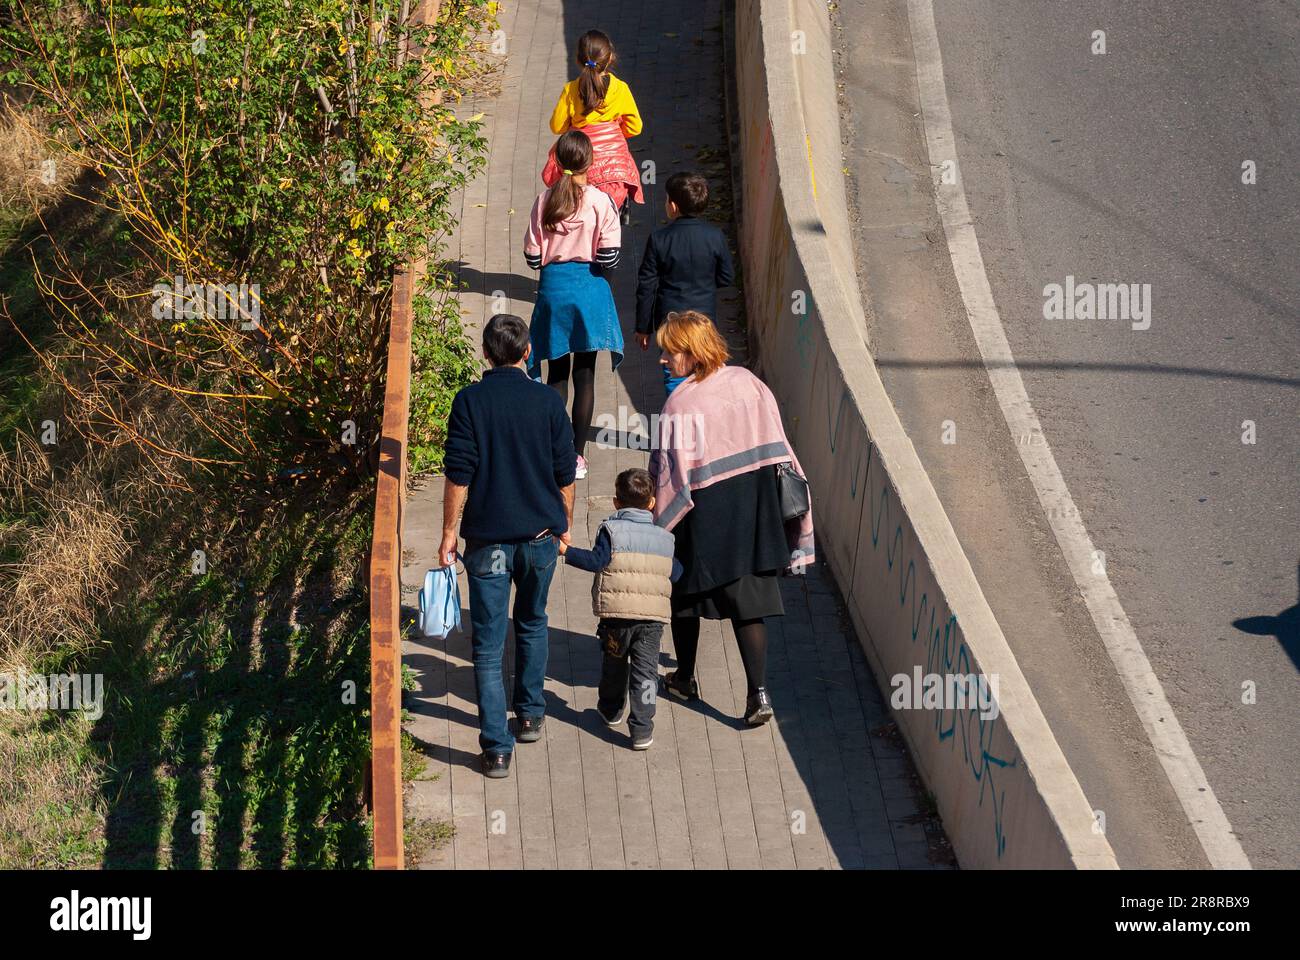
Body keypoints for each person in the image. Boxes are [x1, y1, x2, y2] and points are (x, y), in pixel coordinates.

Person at [648, 311, 815, 726]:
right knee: (748, 604)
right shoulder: (749, 384)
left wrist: (655, 519)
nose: (664, 360)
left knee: (684, 596)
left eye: (671, 352)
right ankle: (758, 694)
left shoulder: (678, 405)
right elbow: (780, 446)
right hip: (754, 511)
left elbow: (668, 477)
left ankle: (685, 677)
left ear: (692, 353)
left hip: (704, 514)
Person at [440, 314, 577, 778]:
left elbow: (459, 473)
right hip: (540, 539)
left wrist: (447, 534)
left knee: (487, 644)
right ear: (527, 352)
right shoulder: (548, 402)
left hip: (488, 542)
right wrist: (566, 526)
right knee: (533, 621)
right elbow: (566, 473)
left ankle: (496, 748)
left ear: (485, 353)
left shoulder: (469, 402)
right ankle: (532, 714)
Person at [558, 468, 682, 750]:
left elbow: (595, 561)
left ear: (616, 502)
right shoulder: (665, 538)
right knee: (646, 672)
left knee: (614, 664)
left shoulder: (610, 530)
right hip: (651, 620)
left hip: (616, 617)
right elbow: (675, 572)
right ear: (652, 503)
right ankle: (642, 729)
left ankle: (611, 710)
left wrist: (566, 552)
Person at [525, 130, 623, 480]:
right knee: (586, 376)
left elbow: (533, 259)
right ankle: (578, 456)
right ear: (591, 161)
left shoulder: (543, 201)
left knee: (556, 373)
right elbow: (610, 255)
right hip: (589, 290)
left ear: (558, 161)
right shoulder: (600, 201)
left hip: (554, 292)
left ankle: (554, 449)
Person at [634, 172, 735, 395]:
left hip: (669, 320)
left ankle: (679, 415)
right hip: (704, 320)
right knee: (704, 370)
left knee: (674, 371)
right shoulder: (715, 236)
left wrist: (643, 327)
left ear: (673, 205)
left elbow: (646, 286)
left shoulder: (659, 238)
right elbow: (727, 277)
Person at [545, 29, 643, 219]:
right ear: (611, 57)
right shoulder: (620, 89)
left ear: (578, 59)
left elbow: (557, 127)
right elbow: (635, 127)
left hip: (582, 165)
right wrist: (614, 130)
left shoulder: (571, 89)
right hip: (616, 173)